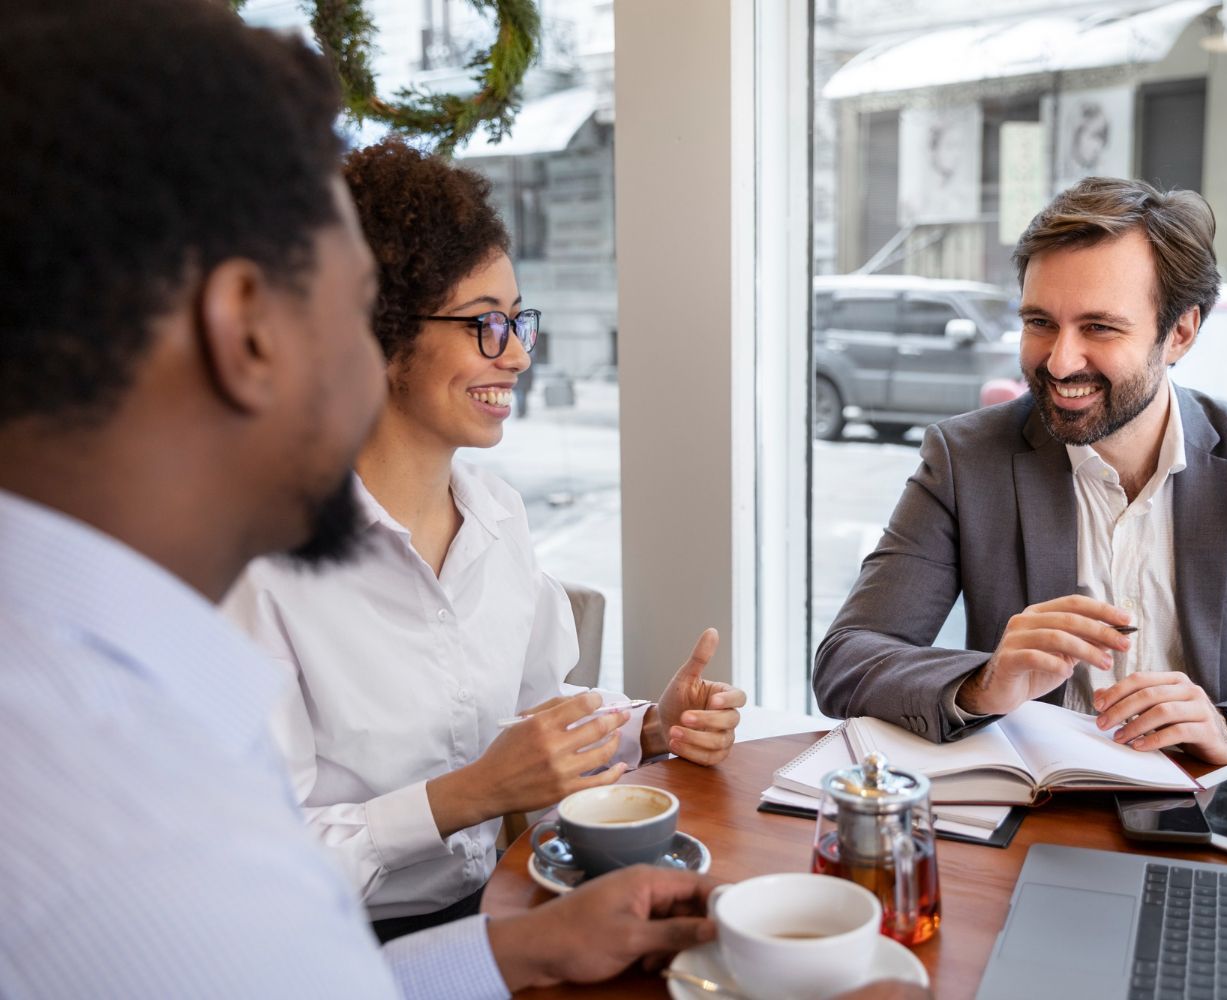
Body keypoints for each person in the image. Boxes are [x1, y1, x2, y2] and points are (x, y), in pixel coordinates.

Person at [0, 3, 721, 996]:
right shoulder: (136, 820)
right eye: (350, 308)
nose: (512, 352)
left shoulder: (110, 674)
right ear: (249, 332)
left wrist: (518, 948)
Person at [220, 137, 747, 940]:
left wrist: (644, 726)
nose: (520, 353)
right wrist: (464, 796)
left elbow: (533, 719)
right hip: (337, 947)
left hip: (499, 905)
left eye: (517, 319)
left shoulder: (496, 516)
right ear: (378, 332)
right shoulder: (263, 567)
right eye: (484, 325)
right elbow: (257, 866)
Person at [814, 177, 1227, 785]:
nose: (1059, 361)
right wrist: (984, 683)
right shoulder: (966, 459)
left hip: (1199, 813)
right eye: (1040, 322)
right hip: (1030, 814)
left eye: (1100, 328)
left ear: (1180, 333)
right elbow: (848, 660)